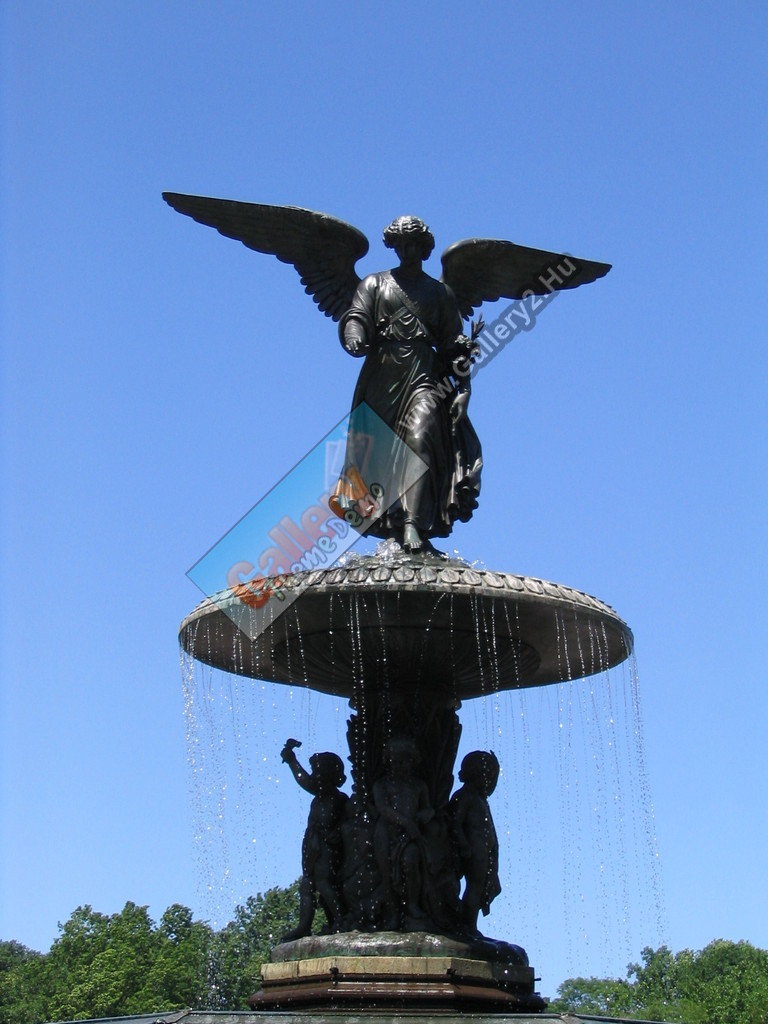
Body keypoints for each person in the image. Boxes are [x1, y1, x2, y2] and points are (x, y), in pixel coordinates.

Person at [339, 216, 482, 552]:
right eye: (400, 245)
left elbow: (453, 345)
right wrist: (354, 336)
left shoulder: (440, 294)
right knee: (380, 451)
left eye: (412, 244)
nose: (406, 250)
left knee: (421, 438)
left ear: (424, 248)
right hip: (382, 376)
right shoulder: (375, 284)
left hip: (424, 375)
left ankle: (412, 524)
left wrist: (464, 389)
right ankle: (387, 521)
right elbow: (357, 316)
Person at [280, 739, 349, 939]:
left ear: (331, 777)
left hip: (328, 846)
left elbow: (348, 824)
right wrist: (291, 760)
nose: (315, 777)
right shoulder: (319, 798)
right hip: (312, 845)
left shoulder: (339, 799)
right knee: (307, 885)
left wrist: (292, 761)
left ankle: (341, 919)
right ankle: (304, 925)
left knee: (324, 882)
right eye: (315, 772)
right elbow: (305, 781)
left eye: (319, 773)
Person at [449, 751, 501, 935]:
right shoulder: (466, 796)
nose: (490, 783)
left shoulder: (478, 799)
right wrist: (463, 845)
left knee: (481, 887)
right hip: (474, 849)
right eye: (488, 777)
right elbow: (455, 822)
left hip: (484, 850)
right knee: (475, 887)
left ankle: (469, 924)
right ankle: (468, 926)